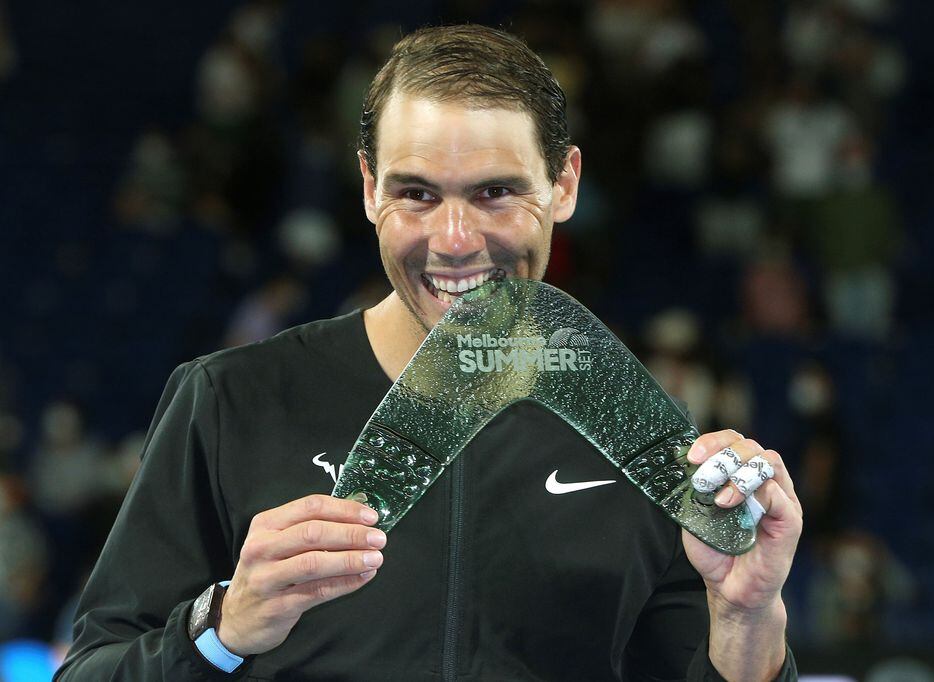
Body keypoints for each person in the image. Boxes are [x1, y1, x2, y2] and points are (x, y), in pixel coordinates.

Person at [56, 25, 801, 681]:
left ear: (564, 183)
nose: (453, 240)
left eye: (494, 193)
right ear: (368, 187)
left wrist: (746, 616)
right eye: (416, 195)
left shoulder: (638, 438)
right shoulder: (231, 401)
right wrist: (223, 629)